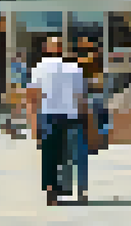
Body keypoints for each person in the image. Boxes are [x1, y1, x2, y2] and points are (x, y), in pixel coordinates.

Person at [28, 37, 88, 206]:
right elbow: (81, 98)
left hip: (48, 114)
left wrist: (33, 123)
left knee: (48, 154)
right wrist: (85, 119)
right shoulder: (75, 68)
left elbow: (33, 97)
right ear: (63, 49)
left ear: (47, 48)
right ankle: (66, 187)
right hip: (70, 115)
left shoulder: (39, 68)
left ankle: (50, 189)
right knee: (67, 154)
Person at [6, 51, 30, 138]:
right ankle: (13, 128)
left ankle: (13, 128)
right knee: (18, 110)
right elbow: (16, 80)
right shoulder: (17, 66)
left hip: (19, 90)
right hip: (18, 90)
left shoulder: (19, 66)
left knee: (18, 110)